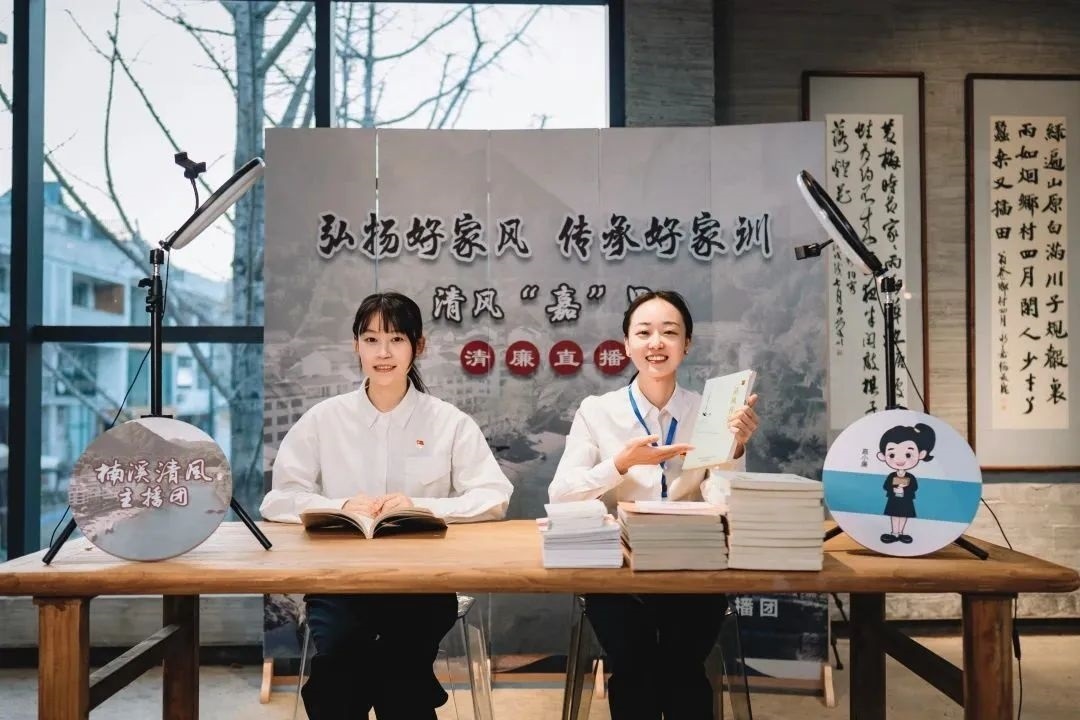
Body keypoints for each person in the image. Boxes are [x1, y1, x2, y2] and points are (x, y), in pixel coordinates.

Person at [260, 291, 513, 720]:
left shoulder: (449, 421)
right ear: (355, 345)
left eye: (396, 339)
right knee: (359, 658)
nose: (383, 353)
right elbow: (278, 498)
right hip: (339, 583)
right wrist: (342, 505)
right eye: (371, 339)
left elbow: (493, 495)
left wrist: (421, 506)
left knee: (379, 666)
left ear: (418, 346)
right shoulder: (324, 419)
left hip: (423, 583)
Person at [548, 289, 760, 720]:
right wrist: (620, 464)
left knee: (683, 669)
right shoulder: (597, 411)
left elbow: (726, 504)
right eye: (644, 332)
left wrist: (733, 451)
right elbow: (561, 494)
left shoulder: (710, 411)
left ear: (687, 344)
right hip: (619, 576)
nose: (656, 343)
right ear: (626, 344)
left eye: (670, 332)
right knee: (635, 668)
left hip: (693, 569)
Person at [877, 422, 935, 545]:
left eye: (908, 454)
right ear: (883, 456)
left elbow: (914, 487)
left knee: (903, 516)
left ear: (921, 454)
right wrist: (894, 489)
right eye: (892, 454)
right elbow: (886, 486)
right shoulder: (891, 476)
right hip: (893, 499)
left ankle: (901, 533)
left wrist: (904, 490)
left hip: (906, 500)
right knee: (894, 516)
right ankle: (894, 533)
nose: (899, 460)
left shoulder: (911, 477)